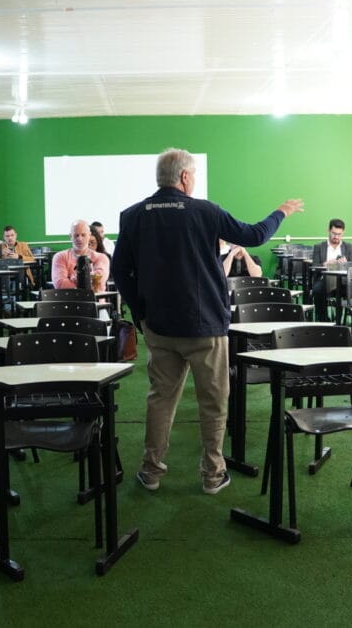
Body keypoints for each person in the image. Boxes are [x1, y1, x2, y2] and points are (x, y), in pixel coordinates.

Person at [111, 147, 303, 495]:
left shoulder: (133, 215)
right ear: (184, 177)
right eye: (195, 174)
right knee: (213, 402)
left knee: (160, 399)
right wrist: (282, 211)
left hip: (159, 326)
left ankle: (151, 471)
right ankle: (212, 475)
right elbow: (255, 235)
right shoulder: (205, 211)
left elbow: (120, 272)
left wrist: (140, 314)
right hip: (205, 327)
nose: (195, 180)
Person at [310, 218, 352, 322]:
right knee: (317, 290)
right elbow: (314, 266)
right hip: (324, 280)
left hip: (343, 281)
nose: (336, 237)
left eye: (339, 234)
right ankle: (323, 320)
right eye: (334, 233)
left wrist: (346, 264)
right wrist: (325, 264)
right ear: (328, 231)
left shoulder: (348, 247)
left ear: (343, 233)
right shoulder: (319, 247)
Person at [52, 220, 109, 290]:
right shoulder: (60, 257)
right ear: (70, 236)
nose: (79, 239)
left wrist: (72, 278)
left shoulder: (101, 258)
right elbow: (60, 285)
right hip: (69, 297)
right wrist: (87, 279)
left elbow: (98, 283)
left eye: (83, 235)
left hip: (95, 297)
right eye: (76, 235)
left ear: (89, 235)